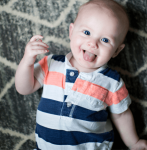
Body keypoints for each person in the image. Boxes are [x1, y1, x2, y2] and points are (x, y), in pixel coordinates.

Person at [15, 0, 147, 149]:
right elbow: (24, 88)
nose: (93, 43)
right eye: (86, 32)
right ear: (71, 31)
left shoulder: (111, 82)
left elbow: (121, 115)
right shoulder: (52, 63)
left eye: (105, 40)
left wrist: (133, 142)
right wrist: (27, 61)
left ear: (117, 50)